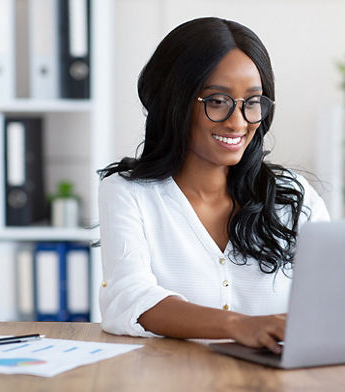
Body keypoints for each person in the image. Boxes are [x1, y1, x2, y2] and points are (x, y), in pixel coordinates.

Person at [98, 17, 330, 354]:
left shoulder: (294, 198)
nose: (238, 122)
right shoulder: (129, 194)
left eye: (252, 102)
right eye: (217, 101)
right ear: (174, 102)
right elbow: (128, 299)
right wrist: (238, 325)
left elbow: (334, 299)